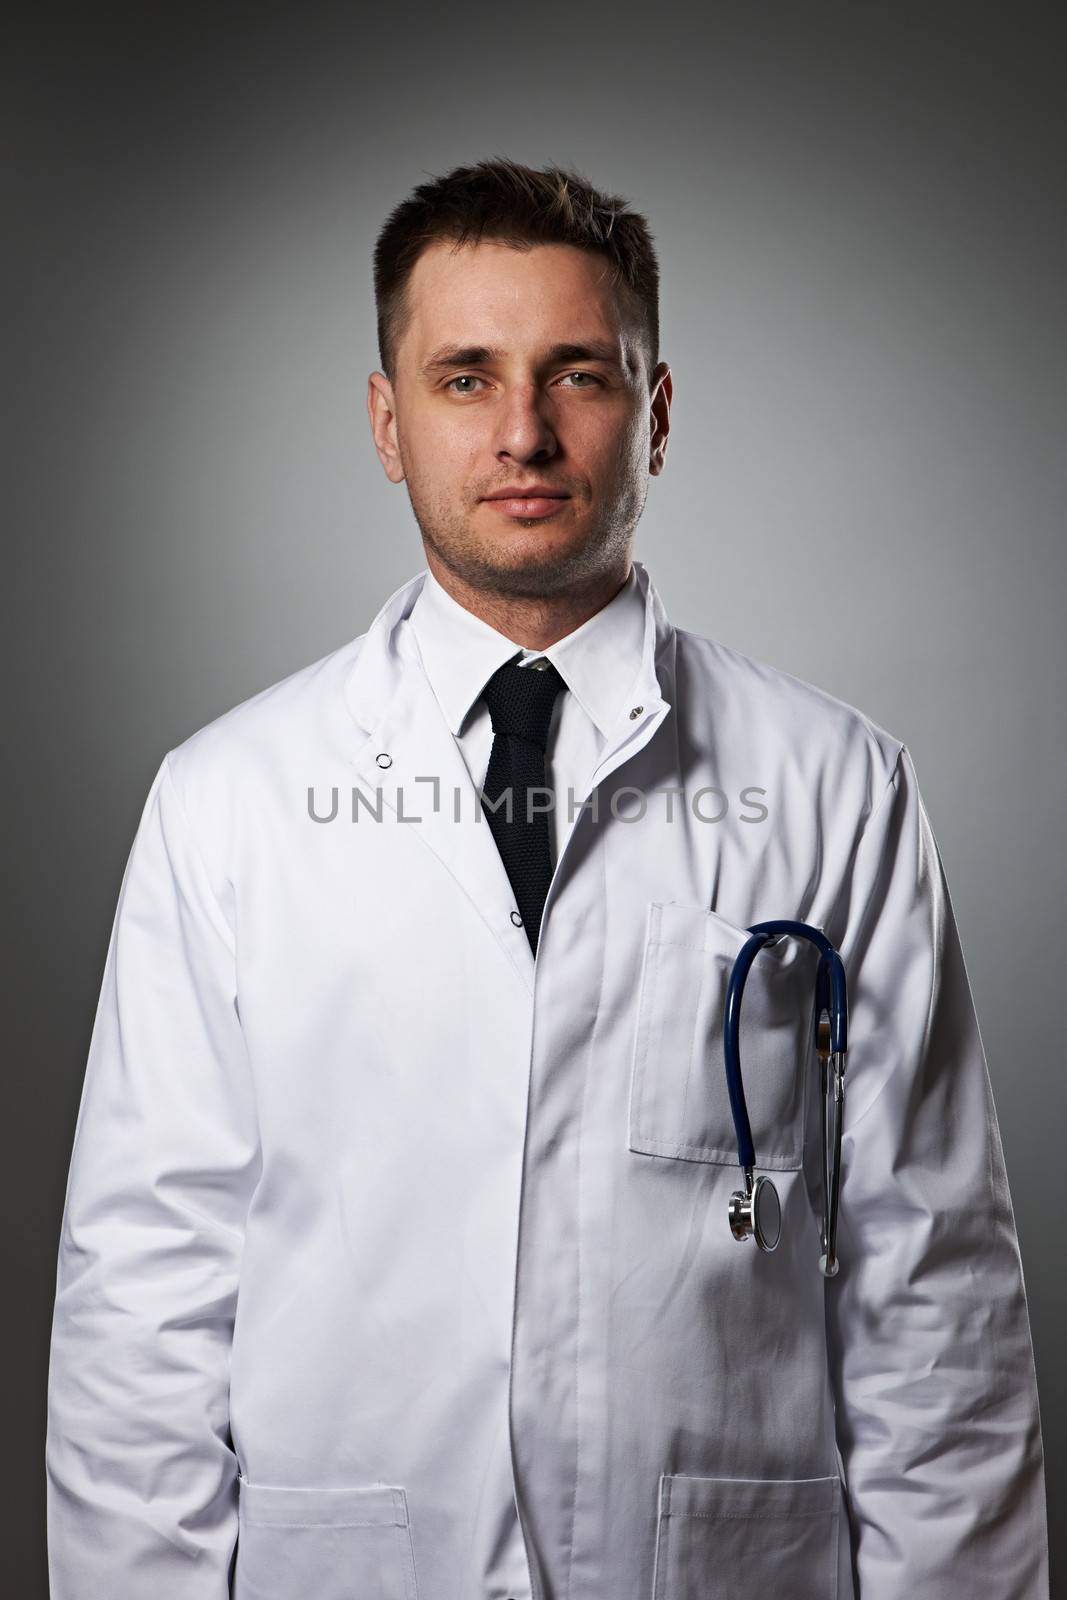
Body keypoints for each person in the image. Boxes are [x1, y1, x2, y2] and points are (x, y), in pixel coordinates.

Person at [45, 156, 1049, 1600]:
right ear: (387, 422)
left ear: (655, 413)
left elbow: (934, 1289)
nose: (523, 431)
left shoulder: (838, 788)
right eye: (465, 377)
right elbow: (144, 1303)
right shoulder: (228, 802)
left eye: (576, 373)